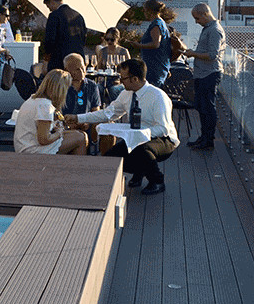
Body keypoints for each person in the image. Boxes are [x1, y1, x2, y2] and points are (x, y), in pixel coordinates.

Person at [65, 58, 178, 195]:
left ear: (135, 79)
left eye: (123, 78)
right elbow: (108, 114)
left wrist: (141, 134)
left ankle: (157, 181)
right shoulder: (126, 94)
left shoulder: (158, 97)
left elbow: (163, 129)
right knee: (111, 158)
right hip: (137, 137)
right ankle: (139, 171)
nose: (120, 81)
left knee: (142, 149)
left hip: (163, 140)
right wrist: (78, 118)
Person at [13, 69, 89, 155]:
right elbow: (44, 139)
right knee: (80, 137)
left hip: (25, 145)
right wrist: (59, 133)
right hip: (32, 150)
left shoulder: (35, 99)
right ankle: (77, 167)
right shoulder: (45, 106)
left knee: (78, 134)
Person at [180, 3, 224, 150]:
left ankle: (208, 139)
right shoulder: (208, 29)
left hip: (209, 74)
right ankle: (204, 137)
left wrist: (193, 53)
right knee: (201, 106)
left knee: (208, 107)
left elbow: (212, 55)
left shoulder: (215, 31)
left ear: (205, 14)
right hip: (202, 74)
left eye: (197, 18)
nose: (196, 22)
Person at [61, 53, 103, 150]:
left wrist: (88, 121)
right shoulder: (61, 86)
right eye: (77, 69)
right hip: (65, 127)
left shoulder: (92, 86)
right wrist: (68, 125)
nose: (81, 71)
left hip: (86, 124)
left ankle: (94, 149)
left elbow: (96, 111)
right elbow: (55, 112)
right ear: (67, 70)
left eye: (82, 67)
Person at [129, 0, 170, 87]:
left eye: (144, 10)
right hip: (158, 65)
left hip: (154, 67)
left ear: (149, 11)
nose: (143, 12)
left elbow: (156, 44)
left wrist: (139, 45)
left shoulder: (156, 24)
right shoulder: (161, 23)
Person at [42, 0, 86, 72]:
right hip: (78, 58)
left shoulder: (54, 15)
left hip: (59, 60)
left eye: (49, 6)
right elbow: (83, 38)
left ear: (52, 2)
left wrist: (46, 56)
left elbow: (50, 39)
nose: (49, 9)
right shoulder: (78, 16)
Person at [96, 27, 130, 101]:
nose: (109, 42)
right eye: (107, 39)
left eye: (112, 39)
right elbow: (99, 68)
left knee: (113, 90)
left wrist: (122, 79)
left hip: (119, 81)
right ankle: (99, 108)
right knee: (96, 88)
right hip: (105, 80)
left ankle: (115, 109)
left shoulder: (124, 52)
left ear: (117, 39)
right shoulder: (103, 51)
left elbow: (129, 69)